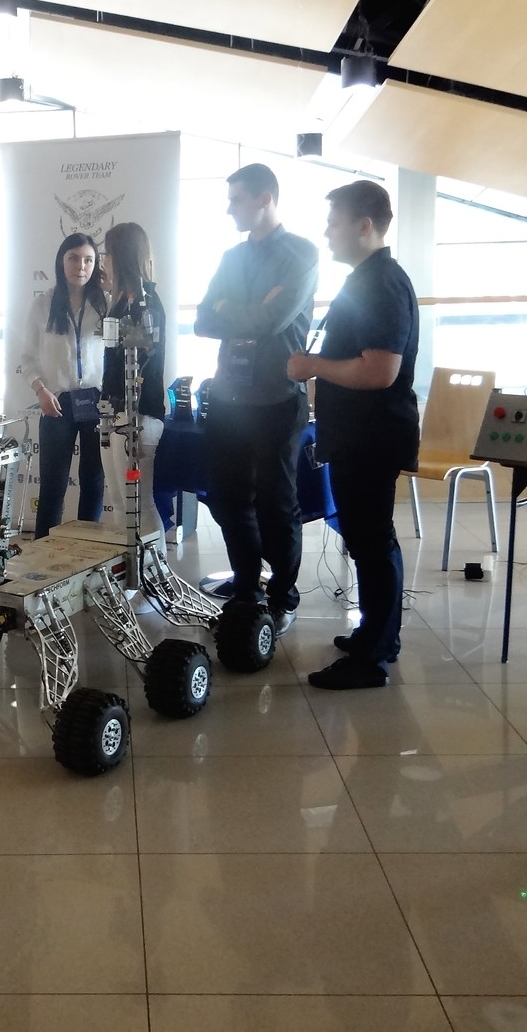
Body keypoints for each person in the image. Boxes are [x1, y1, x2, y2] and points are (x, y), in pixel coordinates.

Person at [286, 180, 418, 689]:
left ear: (365, 226)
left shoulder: (381, 284)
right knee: (369, 539)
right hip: (360, 434)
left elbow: (380, 371)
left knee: (371, 540)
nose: (327, 233)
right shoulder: (367, 279)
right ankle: (377, 635)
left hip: (371, 436)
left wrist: (312, 366)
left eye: (334, 222)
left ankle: (373, 658)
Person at [194, 163, 318, 625]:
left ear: (266, 198)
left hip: (277, 398)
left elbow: (273, 320)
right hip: (229, 397)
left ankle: (283, 595)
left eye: (237, 200)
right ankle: (247, 585)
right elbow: (203, 320)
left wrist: (231, 307)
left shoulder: (301, 254)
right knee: (227, 499)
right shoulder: (232, 257)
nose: (229, 209)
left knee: (276, 504)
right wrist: (246, 308)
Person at [19, 233, 108, 539]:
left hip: (97, 403)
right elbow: (27, 358)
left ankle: (87, 549)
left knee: (93, 482)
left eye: (88, 260)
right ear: (61, 261)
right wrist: (40, 390)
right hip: (56, 402)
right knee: (53, 485)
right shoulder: (43, 304)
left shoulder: (104, 304)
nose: (81, 266)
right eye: (73, 258)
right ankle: (43, 551)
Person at [98, 221, 167, 536]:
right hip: (114, 412)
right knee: (118, 501)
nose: (104, 262)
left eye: (108, 254)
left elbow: (140, 362)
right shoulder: (121, 300)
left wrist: (133, 420)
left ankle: (153, 566)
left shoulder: (145, 303)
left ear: (121, 256)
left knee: (138, 503)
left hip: (137, 414)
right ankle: (127, 565)